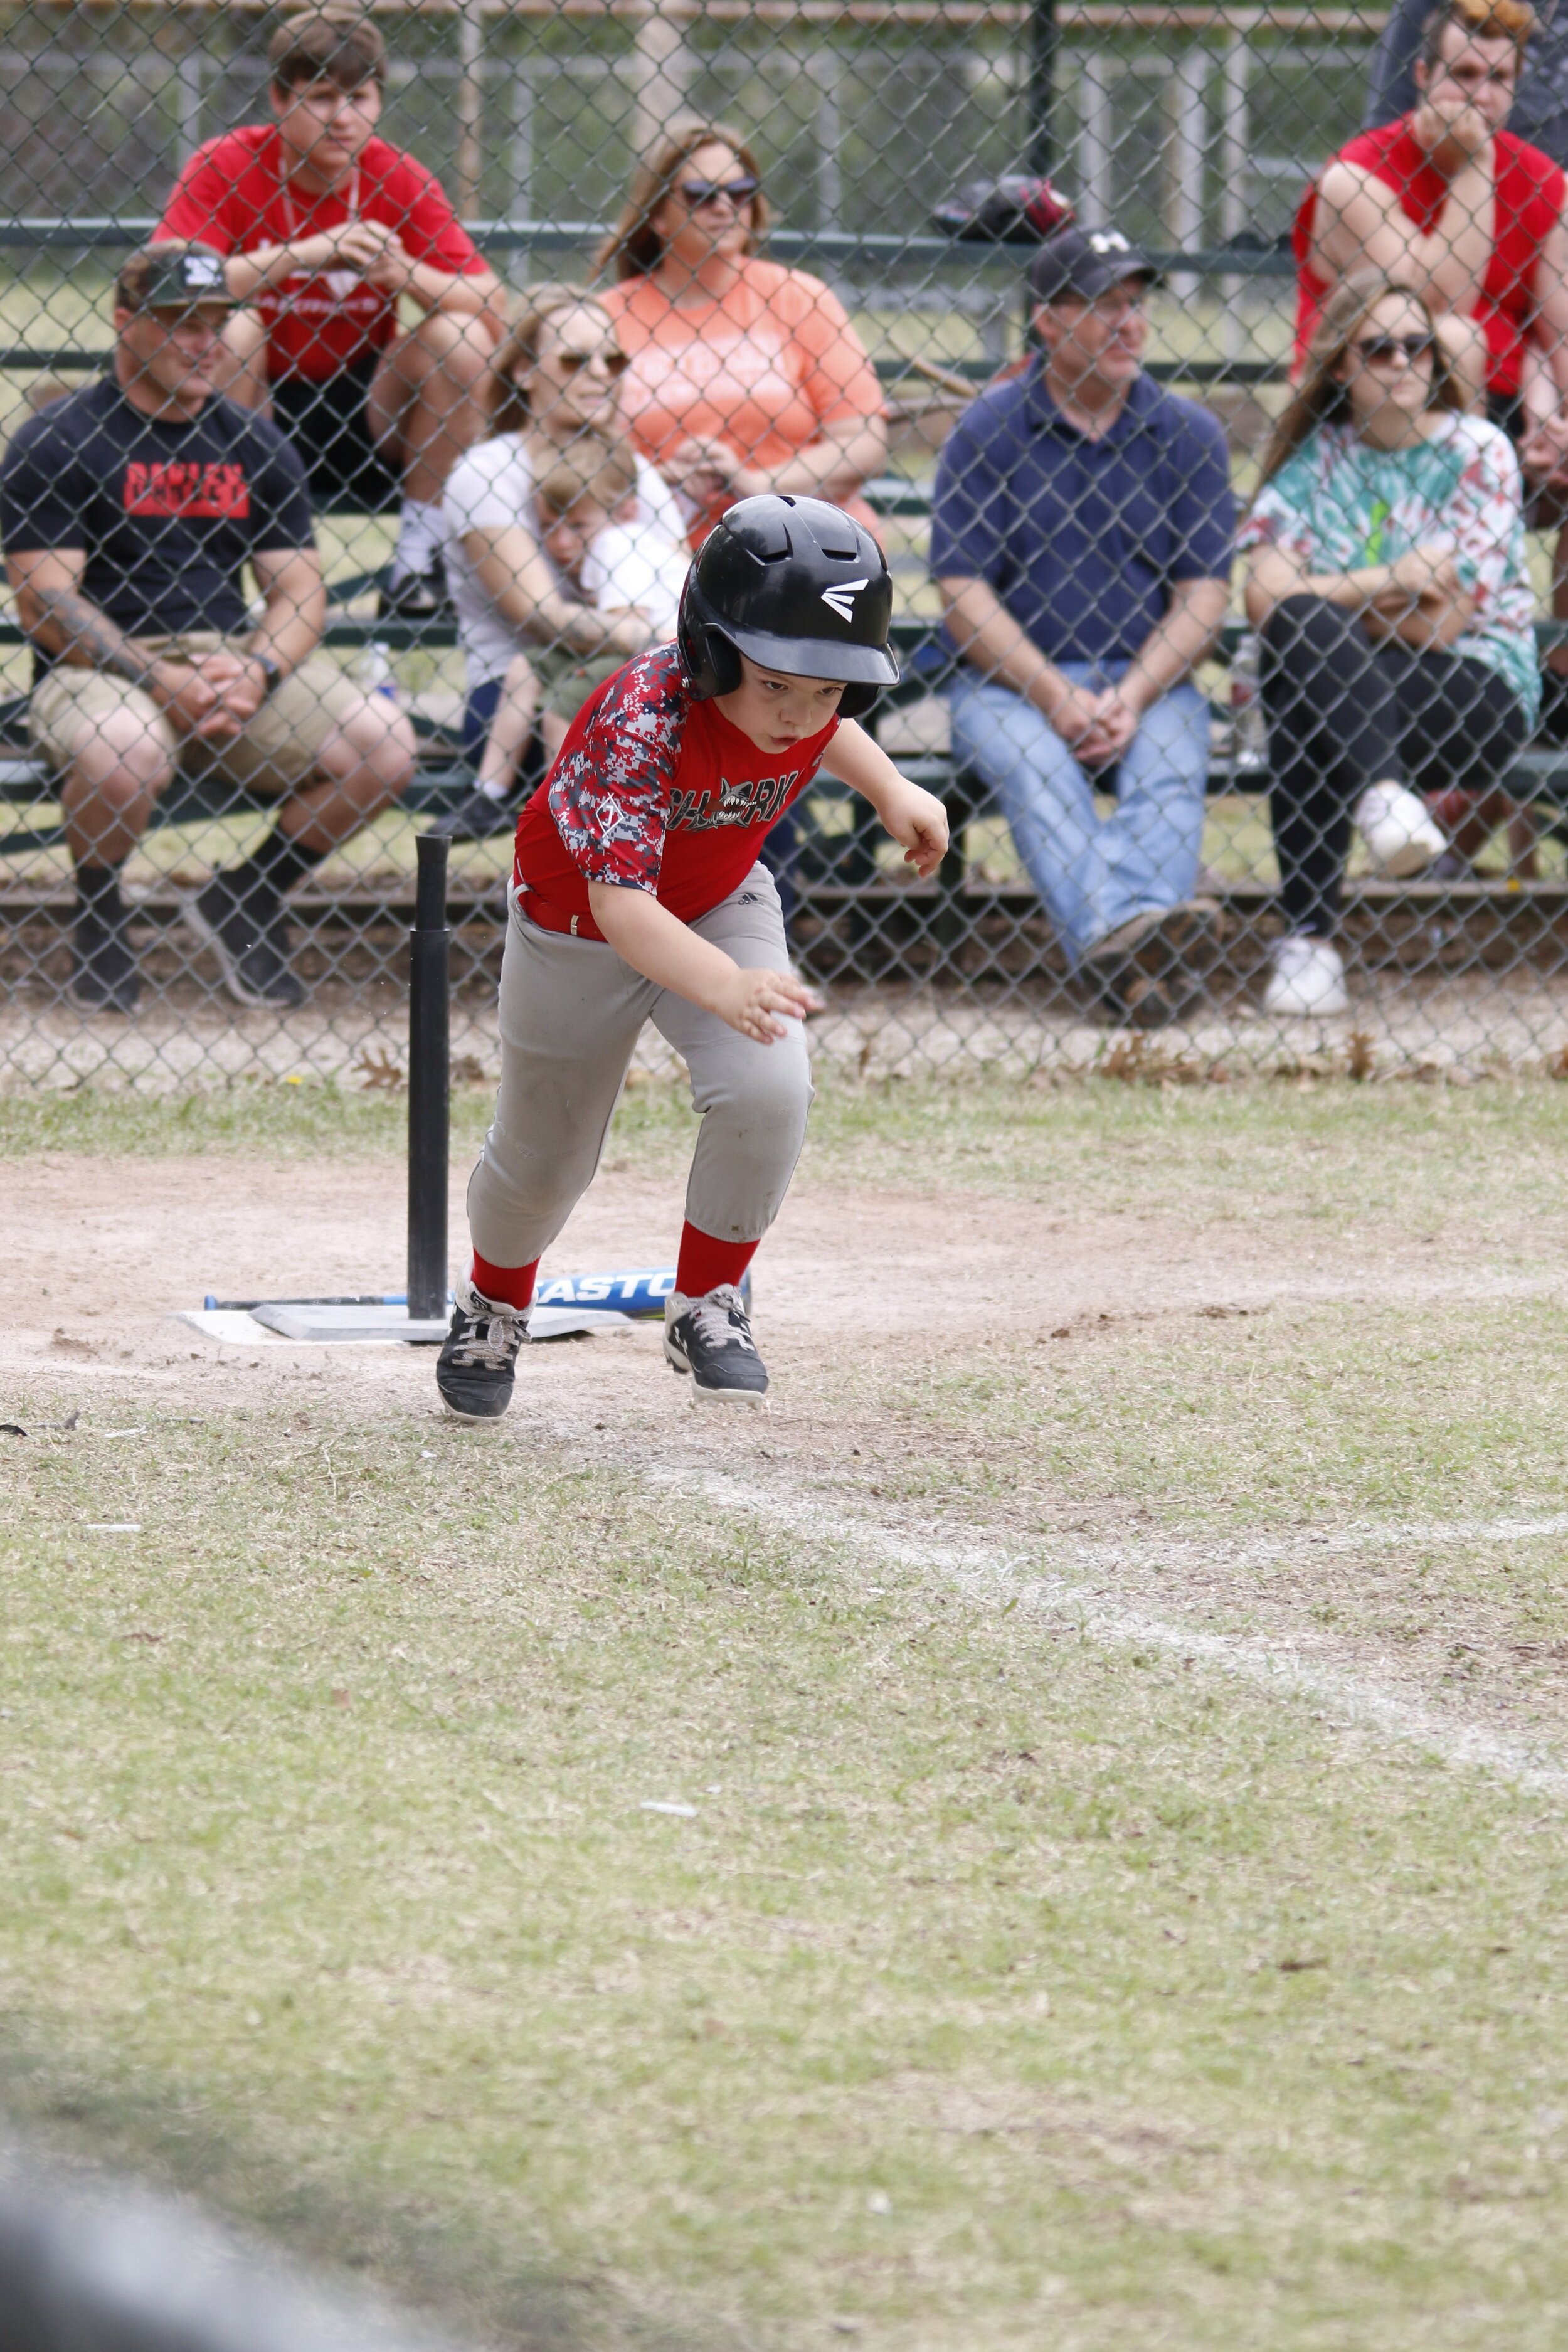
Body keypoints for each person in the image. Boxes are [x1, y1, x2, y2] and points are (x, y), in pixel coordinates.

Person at [433, 494, 948, 1421]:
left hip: (718, 901)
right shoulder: (644, 717)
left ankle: (708, 1301)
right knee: (544, 1159)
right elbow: (623, 908)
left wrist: (891, 788)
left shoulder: (804, 705)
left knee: (769, 1087)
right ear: (710, 650)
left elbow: (828, 729)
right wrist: (726, 985)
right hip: (579, 926)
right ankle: (494, 1304)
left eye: (827, 690)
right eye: (777, 686)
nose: (799, 715)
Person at [0, 242, 415, 1015]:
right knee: (123, 749)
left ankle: (249, 895)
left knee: (385, 741)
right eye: (180, 323)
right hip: (101, 674)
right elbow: (47, 606)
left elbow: (299, 592)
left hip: (232, 667)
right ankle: (99, 913)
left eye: (217, 324)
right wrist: (159, 678)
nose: (204, 342)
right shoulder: (58, 439)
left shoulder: (254, 442)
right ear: (125, 322)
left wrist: (259, 669)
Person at [931, 224, 1235, 1028]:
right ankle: (1139, 949)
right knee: (1037, 769)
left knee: (1170, 761)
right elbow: (962, 596)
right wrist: (1054, 694)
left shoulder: (1188, 433)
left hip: (1149, 682)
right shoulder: (988, 429)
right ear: (1046, 320)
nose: (1128, 323)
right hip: (1008, 687)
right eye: (1103, 306)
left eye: (1135, 304)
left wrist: (1130, 696)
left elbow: (1204, 597)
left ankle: (1119, 959)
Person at [1238, 273, 1539, 1018]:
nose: (1403, 363)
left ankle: (1308, 943)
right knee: (1304, 656)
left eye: (1418, 346)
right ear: (1341, 365)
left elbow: (1443, 627)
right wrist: (1393, 579)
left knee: (1303, 665)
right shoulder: (1316, 462)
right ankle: (1382, 798)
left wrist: (1322, 602)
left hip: (1472, 689)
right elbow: (1262, 597)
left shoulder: (1479, 452)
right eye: (1378, 349)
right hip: (1359, 695)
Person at [156, 6, 507, 618]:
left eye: (360, 97)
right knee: (237, 325)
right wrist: (307, 253)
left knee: (460, 336)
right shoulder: (227, 163)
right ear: (278, 98)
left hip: (367, 409)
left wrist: (407, 275)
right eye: (320, 97)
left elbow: (491, 301)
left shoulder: (397, 175)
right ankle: (213, 559)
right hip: (255, 404)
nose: (343, 117)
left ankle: (418, 565)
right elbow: (168, 284)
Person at [434, 287, 687, 844]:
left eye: (612, 360)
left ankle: (760, 895)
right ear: (524, 372)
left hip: (643, 674)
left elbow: (680, 578)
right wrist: (660, 640)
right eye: (575, 359)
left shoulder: (633, 471)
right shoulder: (489, 471)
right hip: (523, 697)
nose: (600, 373)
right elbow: (539, 615)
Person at [1296, 0, 1568, 517]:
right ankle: (1456, 531)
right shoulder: (1355, 178)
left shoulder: (1546, 184)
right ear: (1423, 75)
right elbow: (1434, 307)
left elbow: (1561, 333)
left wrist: (1557, 427)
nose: (1481, 97)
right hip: (1375, 396)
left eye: (1498, 78)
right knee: (1455, 338)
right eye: (1463, 75)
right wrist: (1476, 166)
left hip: (1509, 406)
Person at [595, 119, 888, 547]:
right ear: (657, 215)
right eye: (700, 195)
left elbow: (863, 442)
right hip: (660, 549)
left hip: (805, 546)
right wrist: (662, 480)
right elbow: (575, 455)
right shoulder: (608, 318)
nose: (724, 207)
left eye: (739, 192)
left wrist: (755, 486)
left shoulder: (799, 298)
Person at [468, 438, 689, 815]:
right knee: (527, 666)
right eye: (549, 526)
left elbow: (628, 633)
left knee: (564, 705)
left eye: (578, 525)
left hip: (663, 662)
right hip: (636, 652)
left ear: (626, 512)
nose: (561, 542)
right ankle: (488, 793)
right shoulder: (609, 540)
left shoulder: (618, 543)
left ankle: (563, 816)